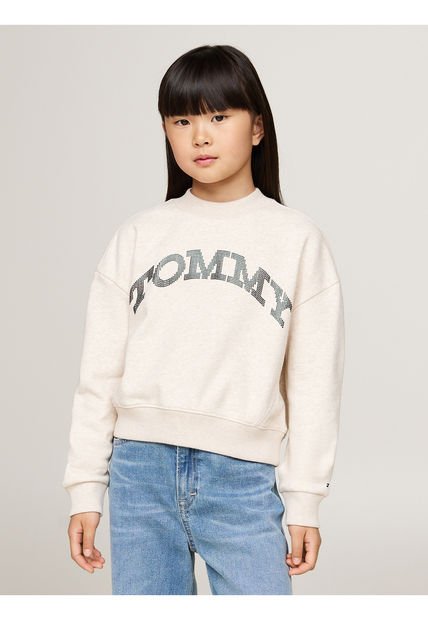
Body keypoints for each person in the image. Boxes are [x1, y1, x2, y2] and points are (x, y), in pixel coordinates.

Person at [63, 44, 345, 595]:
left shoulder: (296, 240)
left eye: (219, 117)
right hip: (139, 475)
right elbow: (98, 375)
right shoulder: (139, 235)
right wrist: (85, 488)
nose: (200, 136)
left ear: (257, 127)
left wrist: (305, 499)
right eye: (182, 120)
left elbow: (314, 382)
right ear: (165, 132)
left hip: (241, 478)